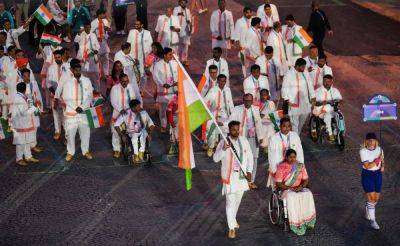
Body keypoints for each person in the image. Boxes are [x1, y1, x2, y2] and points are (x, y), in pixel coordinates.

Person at [213, 120, 253, 239]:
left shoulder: (244, 141)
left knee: (237, 201)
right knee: (230, 203)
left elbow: (250, 157)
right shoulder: (223, 142)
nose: (236, 131)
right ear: (229, 130)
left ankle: (233, 219)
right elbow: (215, 158)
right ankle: (231, 228)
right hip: (229, 178)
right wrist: (223, 149)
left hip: (241, 178)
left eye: (237, 129)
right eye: (233, 129)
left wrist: (249, 171)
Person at [55, 59, 93, 162]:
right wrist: (76, 107)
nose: (77, 72)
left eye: (79, 70)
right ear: (72, 70)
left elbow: (90, 96)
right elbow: (66, 97)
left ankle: (86, 151)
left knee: (85, 133)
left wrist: (83, 106)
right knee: (70, 134)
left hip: (84, 112)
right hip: (72, 112)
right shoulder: (68, 82)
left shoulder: (87, 81)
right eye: (75, 70)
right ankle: (70, 152)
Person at [275, 149, 316, 236]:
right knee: (292, 197)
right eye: (290, 157)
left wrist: (301, 187)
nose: (292, 159)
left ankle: (308, 221)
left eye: (294, 157)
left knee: (308, 194)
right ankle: (296, 223)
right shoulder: (281, 167)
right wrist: (291, 188)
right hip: (286, 189)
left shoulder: (300, 165)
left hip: (299, 187)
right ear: (286, 157)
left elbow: (306, 179)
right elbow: (278, 183)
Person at [229, 93, 263, 189]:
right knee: (241, 158)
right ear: (243, 100)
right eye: (246, 100)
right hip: (241, 137)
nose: (248, 102)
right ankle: (239, 181)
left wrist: (260, 137)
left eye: (250, 101)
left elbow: (259, 123)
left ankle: (251, 181)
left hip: (253, 138)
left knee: (254, 158)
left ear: (252, 101)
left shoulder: (255, 109)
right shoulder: (237, 109)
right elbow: (231, 122)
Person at [282, 58, 315, 134]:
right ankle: (295, 143)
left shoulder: (305, 73)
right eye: (302, 67)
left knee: (301, 124)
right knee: (294, 125)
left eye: (304, 66)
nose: (304, 68)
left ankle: (296, 137)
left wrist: (313, 97)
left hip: (305, 104)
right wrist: (287, 101)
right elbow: (284, 88)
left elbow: (310, 85)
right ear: (297, 66)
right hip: (294, 105)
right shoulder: (289, 74)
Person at [267, 117, 303, 187]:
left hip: (293, 169)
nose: (287, 128)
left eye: (289, 126)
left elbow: (300, 152)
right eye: (284, 126)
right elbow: (271, 156)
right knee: (278, 190)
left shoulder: (295, 136)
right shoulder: (274, 138)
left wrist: (300, 167)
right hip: (279, 168)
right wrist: (275, 171)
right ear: (280, 126)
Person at [110, 73, 139, 158]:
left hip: (128, 113)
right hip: (117, 112)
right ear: (119, 81)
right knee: (115, 131)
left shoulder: (130, 87)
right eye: (123, 82)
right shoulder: (115, 88)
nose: (125, 83)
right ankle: (116, 149)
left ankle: (130, 147)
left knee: (130, 129)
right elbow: (113, 101)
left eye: (126, 81)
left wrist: (132, 109)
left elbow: (133, 99)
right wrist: (120, 110)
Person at [204, 74, 234, 157]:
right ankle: (211, 147)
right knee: (211, 132)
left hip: (224, 114)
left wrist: (232, 114)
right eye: (220, 81)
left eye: (224, 81)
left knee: (225, 131)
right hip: (214, 113)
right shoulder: (213, 90)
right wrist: (209, 109)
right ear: (217, 81)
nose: (222, 82)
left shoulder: (227, 90)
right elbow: (205, 101)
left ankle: (221, 149)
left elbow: (230, 102)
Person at [11, 82, 40, 166]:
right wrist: (34, 108)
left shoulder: (22, 96)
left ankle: (28, 156)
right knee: (20, 142)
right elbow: (24, 112)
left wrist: (32, 106)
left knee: (26, 140)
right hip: (20, 124)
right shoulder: (19, 98)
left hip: (25, 123)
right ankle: (19, 158)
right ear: (24, 89)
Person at [360, 132, 384, 230]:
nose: (371, 142)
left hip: (378, 174)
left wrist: (382, 166)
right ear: (366, 141)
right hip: (367, 175)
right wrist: (377, 160)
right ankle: (373, 221)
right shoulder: (363, 151)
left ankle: (368, 207)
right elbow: (367, 166)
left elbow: (382, 161)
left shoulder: (380, 149)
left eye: (373, 140)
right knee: (371, 198)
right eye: (369, 140)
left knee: (376, 199)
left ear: (376, 141)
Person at [152, 47, 178, 133]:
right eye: (170, 54)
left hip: (174, 92)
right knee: (163, 110)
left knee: (173, 110)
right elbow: (155, 76)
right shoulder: (158, 65)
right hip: (163, 91)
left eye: (172, 54)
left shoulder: (175, 63)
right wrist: (162, 84)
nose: (172, 56)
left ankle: (172, 125)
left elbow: (179, 74)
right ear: (165, 55)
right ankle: (163, 125)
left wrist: (177, 83)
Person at [312, 74, 342, 141]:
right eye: (325, 81)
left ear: (332, 82)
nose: (326, 83)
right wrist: (323, 102)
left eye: (328, 81)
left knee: (340, 115)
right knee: (327, 115)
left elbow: (340, 100)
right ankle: (330, 134)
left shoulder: (335, 90)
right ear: (323, 81)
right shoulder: (318, 91)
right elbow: (314, 102)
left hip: (333, 110)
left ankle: (339, 131)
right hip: (320, 111)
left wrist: (338, 101)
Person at [21, 68, 44, 154]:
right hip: (26, 111)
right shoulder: (20, 85)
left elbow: (38, 95)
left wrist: (40, 108)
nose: (27, 78)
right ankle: (27, 148)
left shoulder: (33, 84)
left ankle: (34, 145)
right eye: (25, 76)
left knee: (35, 127)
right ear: (22, 77)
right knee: (27, 129)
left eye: (28, 76)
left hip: (35, 109)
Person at [127, 18, 153, 89]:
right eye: (135, 24)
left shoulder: (147, 33)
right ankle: (135, 88)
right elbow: (128, 44)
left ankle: (141, 89)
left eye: (138, 24)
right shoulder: (132, 32)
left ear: (142, 25)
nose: (136, 25)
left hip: (143, 58)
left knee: (143, 75)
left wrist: (147, 57)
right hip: (133, 58)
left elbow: (151, 45)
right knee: (133, 74)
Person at [75, 22, 101, 92]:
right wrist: (79, 33)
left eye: (89, 27)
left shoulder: (93, 35)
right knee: (84, 75)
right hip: (84, 58)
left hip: (93, 58)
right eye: (86, 27)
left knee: (95, 75)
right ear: (84, 28)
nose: (88, 28)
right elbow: (76, 41)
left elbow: (97, 45)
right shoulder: (81, 35)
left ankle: (97, 90)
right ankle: (86, 90)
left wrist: (96, 50)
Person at [47, 49, 66, 140]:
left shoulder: (67, 67)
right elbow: (48, 84)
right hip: (54, 95)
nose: (57, 59)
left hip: (65, 96)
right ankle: (57, 131)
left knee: (65, 114)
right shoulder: (51, 68)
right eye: (55, 58)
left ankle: (66, 132)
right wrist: (56, 94)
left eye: (58, 57)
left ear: (62, 57)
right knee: (56, 113)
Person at [91, 8, 111, 87]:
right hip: (97, 43)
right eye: (103, 14)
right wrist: (96, 38)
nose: (104, 15)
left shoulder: (105, 21)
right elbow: (91, 33)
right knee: (97, 59)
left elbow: (109, 30)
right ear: (99, 14)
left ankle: (106, 74)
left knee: (106, 58)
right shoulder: (93, 23)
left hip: (104, 42)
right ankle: (98, 74)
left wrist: (108, 29)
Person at [232, 7, 252, 78]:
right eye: (247, 13)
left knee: (251, 63)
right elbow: (236, 34)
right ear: (244, 13)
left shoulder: (253, 20)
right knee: (244, 65)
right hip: (242, 47)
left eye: (250, 12)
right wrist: (238, 45)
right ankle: (246, 77)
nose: (248, 14)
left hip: (251, 47)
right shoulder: (239, 21)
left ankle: (250, 76)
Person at [173, 0, 192, 66]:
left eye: (185, 2)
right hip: (177, 30)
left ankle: (184, 60)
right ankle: (176, 59)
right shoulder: (176, 9)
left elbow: (189, 20)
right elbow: (174, 16)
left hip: (185, 30)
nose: (183, 3)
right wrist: (181, 13)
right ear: (179, 3)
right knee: (176, 45)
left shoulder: (188, 11)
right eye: (182, 2)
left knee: (185, 46)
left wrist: (190, 28)